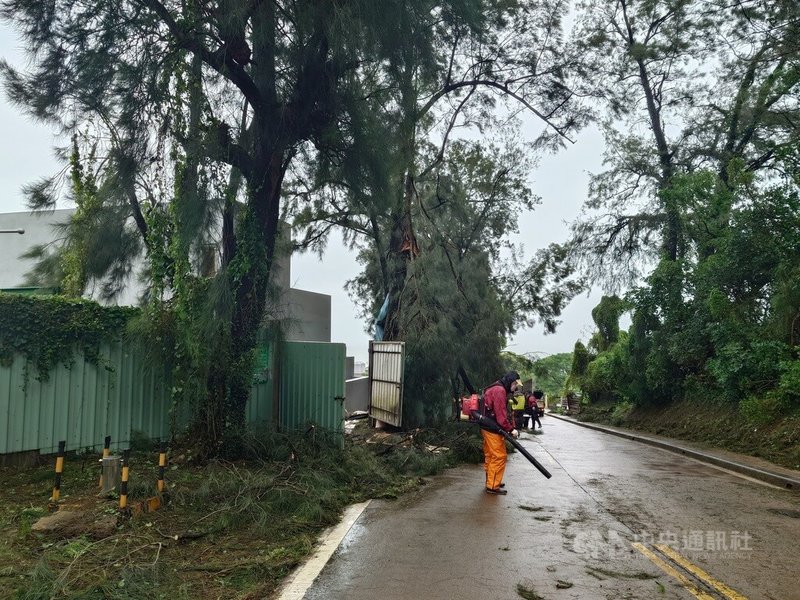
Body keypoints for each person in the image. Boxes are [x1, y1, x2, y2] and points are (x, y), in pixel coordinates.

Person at [480, 370, 520, 495]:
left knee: (490, 455)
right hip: (492, 428)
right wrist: (510, 429)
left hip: (487, 426)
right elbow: (501, 415)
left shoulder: (496, 386)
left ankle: (491, 479)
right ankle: (492, 486)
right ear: (510, 382)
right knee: (499, 456)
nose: (516, 387)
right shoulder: (499, 391)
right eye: (515, 384)